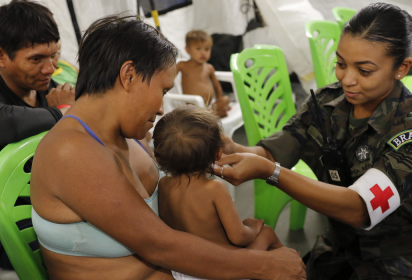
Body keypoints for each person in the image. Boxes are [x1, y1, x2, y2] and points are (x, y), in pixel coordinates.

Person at [30, 15, 305, 280]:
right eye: (162, 90)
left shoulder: (128, 135)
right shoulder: (71, 151)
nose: (162, 108)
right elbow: (159, 244)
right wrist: (263, 266)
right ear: (129, 75)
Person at [214, 3, 412, 279]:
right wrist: (235, 149)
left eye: (365, 70)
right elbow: (279, 148)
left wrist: (270, 173)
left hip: (396, 262)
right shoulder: (325, 103)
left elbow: (360, 208)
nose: (347, 79)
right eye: (341, 64)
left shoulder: (408, 126)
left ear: (401, 68)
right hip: (339, 249)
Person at [153, 105, 283, 280]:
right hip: (221, 271)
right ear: (217, 153)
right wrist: (253, 226)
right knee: (266, 233)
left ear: (159, 156)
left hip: (184, 271)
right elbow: (238, 237)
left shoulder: (163, 185)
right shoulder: (214, 189)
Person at [0, 0, 75, 151]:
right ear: (2, 56)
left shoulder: (56, 91)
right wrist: (65, 111)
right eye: (36, 59)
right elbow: (6, 122)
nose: (50, 69)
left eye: (53, 55)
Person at [176, 30, 231, 117]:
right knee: (220, 111)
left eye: (207, 49)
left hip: (210, 105)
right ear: (188, 50)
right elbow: (169, 77)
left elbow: (217, 86)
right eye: (198, 49)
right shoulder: (182, 65)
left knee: (226, 99)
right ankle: (213, 113)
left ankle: (211, 112)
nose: (203, 52)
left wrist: (220, 99)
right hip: (193, 105)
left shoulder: (209, 67)